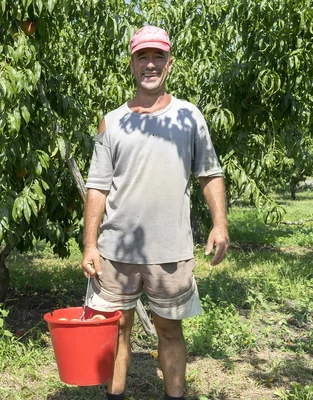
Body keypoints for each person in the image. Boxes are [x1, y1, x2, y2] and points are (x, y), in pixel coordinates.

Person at [81, 25, 229, 400]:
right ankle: (114, 395)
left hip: (171, 250)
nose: (150, 64)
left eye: (157, 56)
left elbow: (209, 173)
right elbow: (97, 187)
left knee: (169, 330)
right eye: (142, 57)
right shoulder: (111, 121)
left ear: (169, 63)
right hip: (116, 250)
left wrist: (220, 225)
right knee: (117, 329)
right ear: (131, 64)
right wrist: (90, 244)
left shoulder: (189, 117)